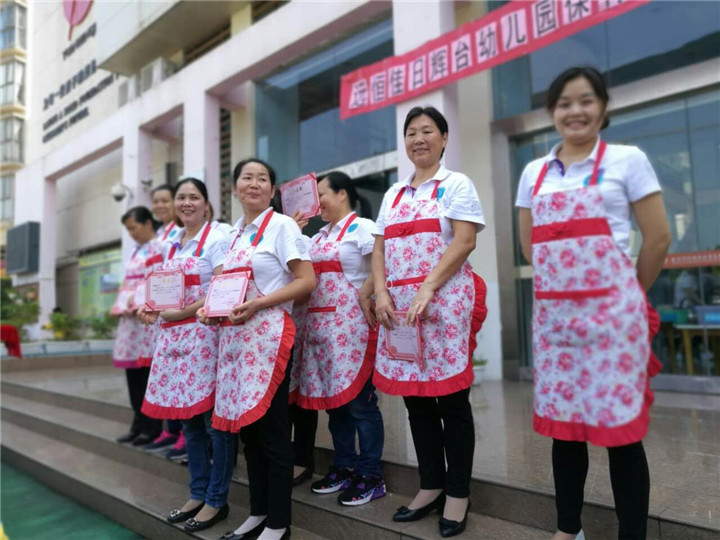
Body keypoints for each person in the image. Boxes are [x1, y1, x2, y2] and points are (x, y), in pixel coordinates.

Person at [515, 66, 671, 540]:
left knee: (620, 435)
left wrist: (625, 293)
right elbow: (530, 248)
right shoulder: (533, 172)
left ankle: (632, 535)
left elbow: (659, 239)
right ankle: (569, 530)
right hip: (557, 325)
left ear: (603, 107)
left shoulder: (628, 160)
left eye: (586, 100)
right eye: (564, 102)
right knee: (565, 434)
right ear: (552, 112)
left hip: (611, 324)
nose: (575, 111)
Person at [372, 106, 487, 538]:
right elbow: (379, 249)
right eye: (411, 133)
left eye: (427, 131)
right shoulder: (394, 195)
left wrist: (428, 288)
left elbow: (465, 239)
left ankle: (458, 493)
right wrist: (382, 291)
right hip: (400, 312)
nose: (418, 139)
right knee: (416, 403)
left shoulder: (456, 184)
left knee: (452, 403)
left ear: (443, 138)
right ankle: (430, 484)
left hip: (443, 307)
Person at [199, 158, 316, 540]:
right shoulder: (230, 237)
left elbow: (306, 281)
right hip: (234, 344)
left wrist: (260, 303)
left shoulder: (282, 227)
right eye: (246, 178)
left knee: (273, 433)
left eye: (262, 178)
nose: (254, 183)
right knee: (248, 435)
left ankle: (278, 523)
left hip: (268, 341)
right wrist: (209, 310)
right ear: (234, 189)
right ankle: (257, 513)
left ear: (272, 189)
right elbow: (220, 290)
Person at [138, 178, 234, 533]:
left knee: (213, 425)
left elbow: (224, 290)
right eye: (182, 197)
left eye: (194, 197)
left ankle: (216, 499)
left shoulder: (218, 240)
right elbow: (162, 292)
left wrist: (184, 312)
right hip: (174, 344)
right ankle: (197, 493)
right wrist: (151, 309)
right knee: (190, 425)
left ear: (206, 205)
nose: (187, 203)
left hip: (206, 339)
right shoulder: (170, 245)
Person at [293, 171, 385, 506]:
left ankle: (371, 474)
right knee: (336, 407)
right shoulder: (316, 238)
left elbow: (382, 263)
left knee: (361, 406)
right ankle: (345, 466)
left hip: (353, 330)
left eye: (322, 195)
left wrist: (366, 292)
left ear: (343, 193)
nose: (317, 203)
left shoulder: (363, 228)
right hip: (322, 333)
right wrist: (296, 230)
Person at [112, 206, 164, 446]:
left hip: (145, 320)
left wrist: (139, 302)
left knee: (145, 375)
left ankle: (151, 426)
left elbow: (157, 280)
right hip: (129, 321)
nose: (131, 233)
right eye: (128, 229)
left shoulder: (159, 247)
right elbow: (128, 282)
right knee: (132, 375)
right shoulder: (136, 251)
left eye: (133, 227)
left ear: (147, 224)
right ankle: (137, 422)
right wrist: (120, 303)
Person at [142, 183, 186, 461]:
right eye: (155, 201)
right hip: (162, 313)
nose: (159, 206)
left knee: (182, 374)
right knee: (167, 372)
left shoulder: (181, 235)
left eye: (164, 201)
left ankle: (182, 431)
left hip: (183, 315)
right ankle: (171, 429)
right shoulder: (160, 235)